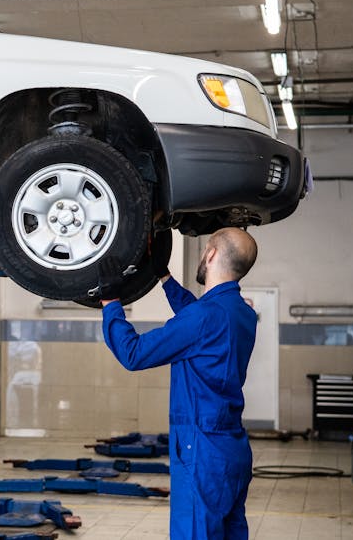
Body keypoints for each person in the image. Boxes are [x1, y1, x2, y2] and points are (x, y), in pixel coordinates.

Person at [97, 227, 259, 540]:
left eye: (204, 249)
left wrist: (110, 303)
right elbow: (197, 316)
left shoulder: (202, 318)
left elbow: (134, 354)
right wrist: (163, 277)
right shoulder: (242, 313)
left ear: (210, 254)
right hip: (232, 447)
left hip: (200, 447)